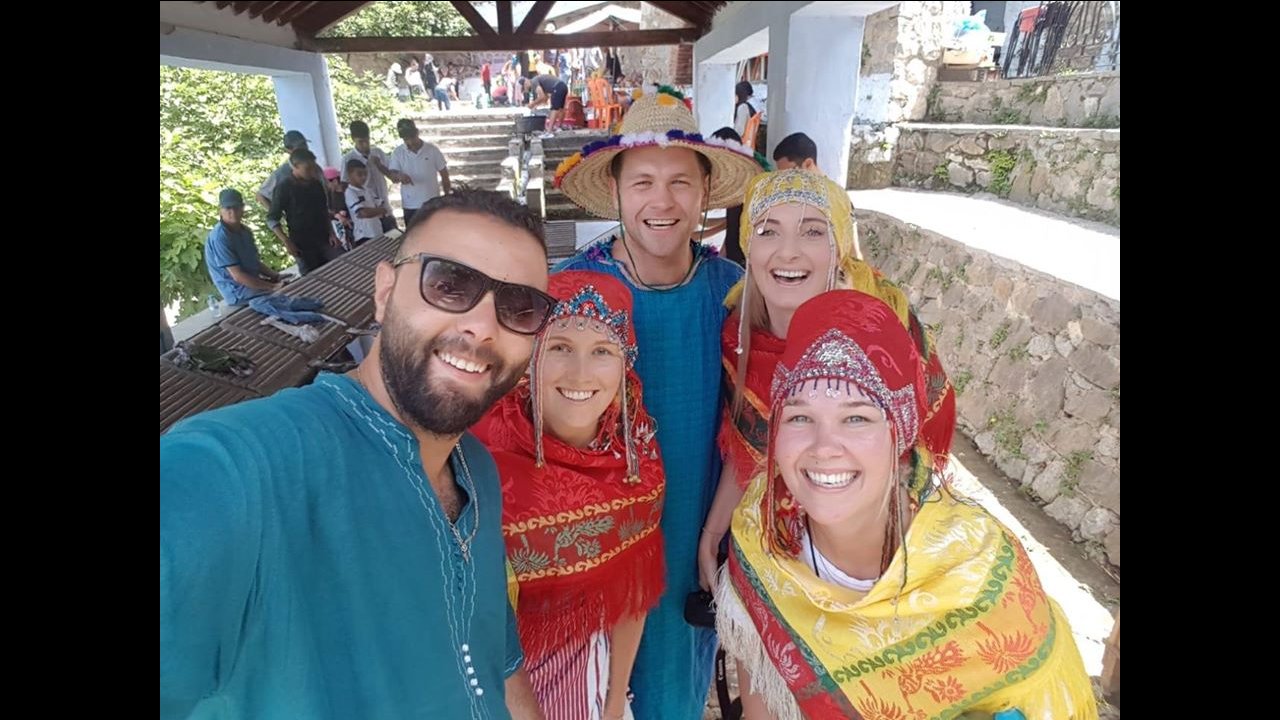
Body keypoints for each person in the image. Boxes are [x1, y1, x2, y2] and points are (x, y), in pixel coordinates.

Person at [161, 189, 559, 720]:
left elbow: (498, 663)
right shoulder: (240, 471)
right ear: (385, 292)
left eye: (519, 308)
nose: (483, 327)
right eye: (449, 284)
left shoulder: (476, 471)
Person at [715, 290, 1097, 720]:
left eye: (856, 418)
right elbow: (761, 705)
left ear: (900, 434)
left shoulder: (981, 578)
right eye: (799, 417)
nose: (824, 448)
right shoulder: (761, 536)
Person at [550, 87, 766, 720]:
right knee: (584, 694)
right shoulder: (572, 291)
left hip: (693, 530)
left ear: (706, 193)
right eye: (642, 182)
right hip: (593, 541)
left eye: (680, 183)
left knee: (673, 692)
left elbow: (755, 422)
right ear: (616, 191)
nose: (662, 201)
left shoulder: (733, 294)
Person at [697, 169, 956, 597]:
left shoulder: (881, 330)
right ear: (748, 245)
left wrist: (882, 574)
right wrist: (711, 535)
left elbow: (915, 457)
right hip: (777, 546)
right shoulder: (738, 337)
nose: (788, 251)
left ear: (839, 248)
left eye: (813, 231)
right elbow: (749, 449)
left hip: (874, 561)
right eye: (768, 231)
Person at [473, 271, 665, 720]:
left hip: (587, 693)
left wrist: (614, 703)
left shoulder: (636, 462)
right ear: (530, 355)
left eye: (602, 351)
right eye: (559, 347)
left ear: (626, 364)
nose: (580, 373)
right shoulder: (475, 453)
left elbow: (628, 601)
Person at [266, 148, 340, 275]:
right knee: (312, 277)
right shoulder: (284, 187)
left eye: (313, 168)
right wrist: (286, 241)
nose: (312, 172)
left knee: (338, 268)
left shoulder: (316, 184)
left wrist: (332, 233)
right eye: (307, 169)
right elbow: (272, 219)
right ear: (295, 167)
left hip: (324, 238)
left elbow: (323, 211)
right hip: (302, 243)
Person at [204, 188, 283, 307]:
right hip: (236, 291)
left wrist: (275, 276)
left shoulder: (245, 231)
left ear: (242, 208)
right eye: (228, 208)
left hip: (252, 284)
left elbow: (254, 262)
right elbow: (237, 276)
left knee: (290, 287)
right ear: (220, 210)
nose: (232, 212)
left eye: (236, 208)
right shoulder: (219, 237)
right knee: (283, 299)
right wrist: (272, 287)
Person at [388, 118, 451, 225]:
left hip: (432, 202)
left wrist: (447, 195)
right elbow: (393, 176)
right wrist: (399, 176)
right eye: (406, 139)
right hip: (410, 204)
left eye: (412, 137)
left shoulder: (432, 150)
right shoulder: (398, 153)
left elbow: (444, 174)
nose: (410, 142)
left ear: (417, 133)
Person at [341, 120, 397, 232]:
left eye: (367, 141)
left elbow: (393, 177)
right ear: (353, 139)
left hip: (384, 207)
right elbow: (344, 184)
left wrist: (379, 165)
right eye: (361, 142)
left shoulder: (378, 152)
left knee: (394, 237)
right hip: (367, 214)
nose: (365, 145)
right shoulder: (348, 159)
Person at [255, 129, 316, 210]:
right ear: (288, 150)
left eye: (304, 145)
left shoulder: (315, 166)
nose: (304, 148)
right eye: (300, 147)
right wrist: (275, 214)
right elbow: (260, 195)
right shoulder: (282, 173)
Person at [344, 159, 390, 247]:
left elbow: (383, 208)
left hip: (377, 231)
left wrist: (375, 211)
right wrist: (378, 211)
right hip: (364, 235)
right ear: (350, 174)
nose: (363, 177)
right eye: (359, 174)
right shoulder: (350, 192)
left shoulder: (368, 190)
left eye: (365, 174)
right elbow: (363, 213)